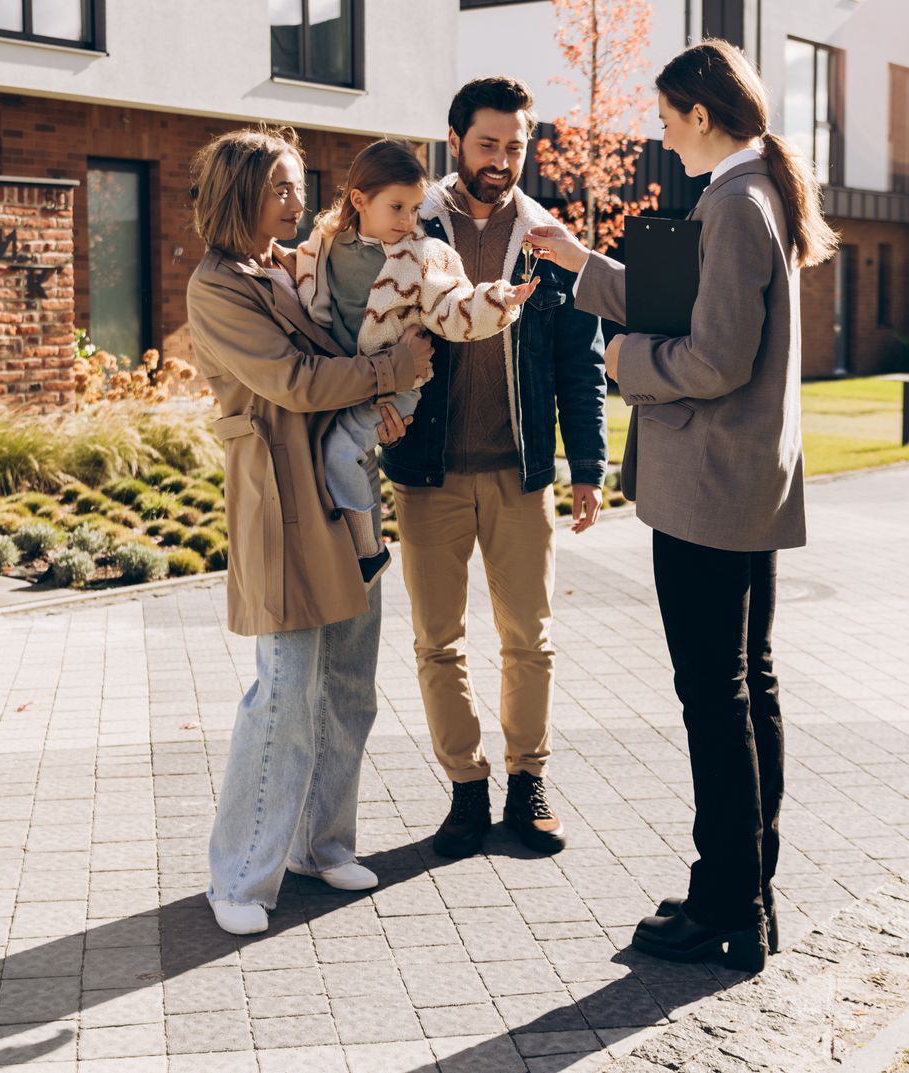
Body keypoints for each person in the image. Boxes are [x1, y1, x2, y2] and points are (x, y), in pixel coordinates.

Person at [524, 39, 837, 973]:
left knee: (716, 695)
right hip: (741, 482)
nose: (660, 135)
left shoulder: (737, 203)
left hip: (710, 487)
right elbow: (681, 304)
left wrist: (621, 364)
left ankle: (727, 907)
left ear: (702, 114)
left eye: (665, 118)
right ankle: (744, 890)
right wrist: (579, 261)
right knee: (747, 684)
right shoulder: (749, 193)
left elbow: (710, 359)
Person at [185, 126, 435, 937]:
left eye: (300, 186)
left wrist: (380, 409)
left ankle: (321, 845)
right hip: (280, 498)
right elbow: (293, 381)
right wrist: (395, 373)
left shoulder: (288, 269)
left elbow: (341, 353)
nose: (300, 201)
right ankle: (240, 877)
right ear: (241, 193)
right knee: (286, 691)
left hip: (343, 489)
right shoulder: (218, 286)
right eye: (283, 187)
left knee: (350, 683)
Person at [381, 77, 610, 860]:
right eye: (487, 144)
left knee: (529, 640)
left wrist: (588, 463)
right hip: (429, 473)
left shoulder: (549, 239)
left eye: (514, 146)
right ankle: (465, 789)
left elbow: (582, 363)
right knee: (437, 641)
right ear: (455, 141)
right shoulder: (415, 227)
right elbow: (368, 322)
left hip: (520, 476)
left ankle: (527, 783)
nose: (502, 161)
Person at [290, 138, 539, 586]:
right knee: (318, 459)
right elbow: (302, 289)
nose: (409, 221)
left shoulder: (424, 256)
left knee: (339, 452)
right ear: (359, 200)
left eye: (415, 208)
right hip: (345, 382)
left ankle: (368, 551)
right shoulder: (323, 245)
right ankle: (339, 548)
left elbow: (454, 307)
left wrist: (498, 299)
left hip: (395, 390)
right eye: (397, 208)